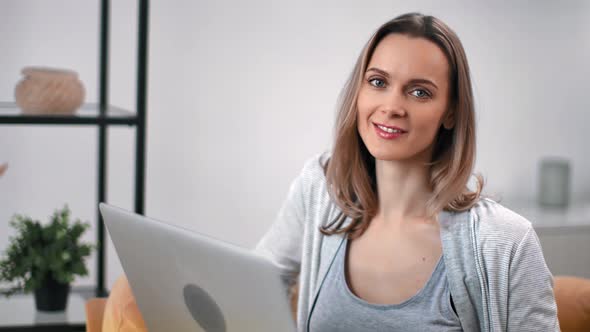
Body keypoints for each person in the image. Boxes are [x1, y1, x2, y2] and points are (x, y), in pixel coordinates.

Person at [254, 12, 560, 332]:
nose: (392, 106)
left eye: (419, 92)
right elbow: (254, 281)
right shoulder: (319, 189)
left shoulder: (506, 241)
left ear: (451, 112)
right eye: (378, 82)